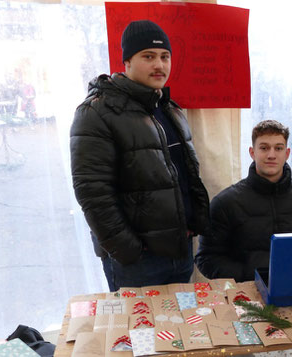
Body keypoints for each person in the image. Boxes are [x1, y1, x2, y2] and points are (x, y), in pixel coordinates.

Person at [70, 20, 210, 291]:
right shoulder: (97, 113)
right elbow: (92, 193)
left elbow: (185, 176)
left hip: (180, 250)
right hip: (137, 262)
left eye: (164, 57)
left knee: (177, 331)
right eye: (148, 56)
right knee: (140, 332)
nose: (159, 65)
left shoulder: (170, 109)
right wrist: (129, 250)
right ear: (127, 62)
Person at [196, 120, 292, 282]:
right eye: (264, 148)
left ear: (287, 153)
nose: (271, 155)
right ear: (252, 152)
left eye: (278, 148)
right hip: (246, 294)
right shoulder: (225, 203)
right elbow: (206, 258)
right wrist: (252, 276)